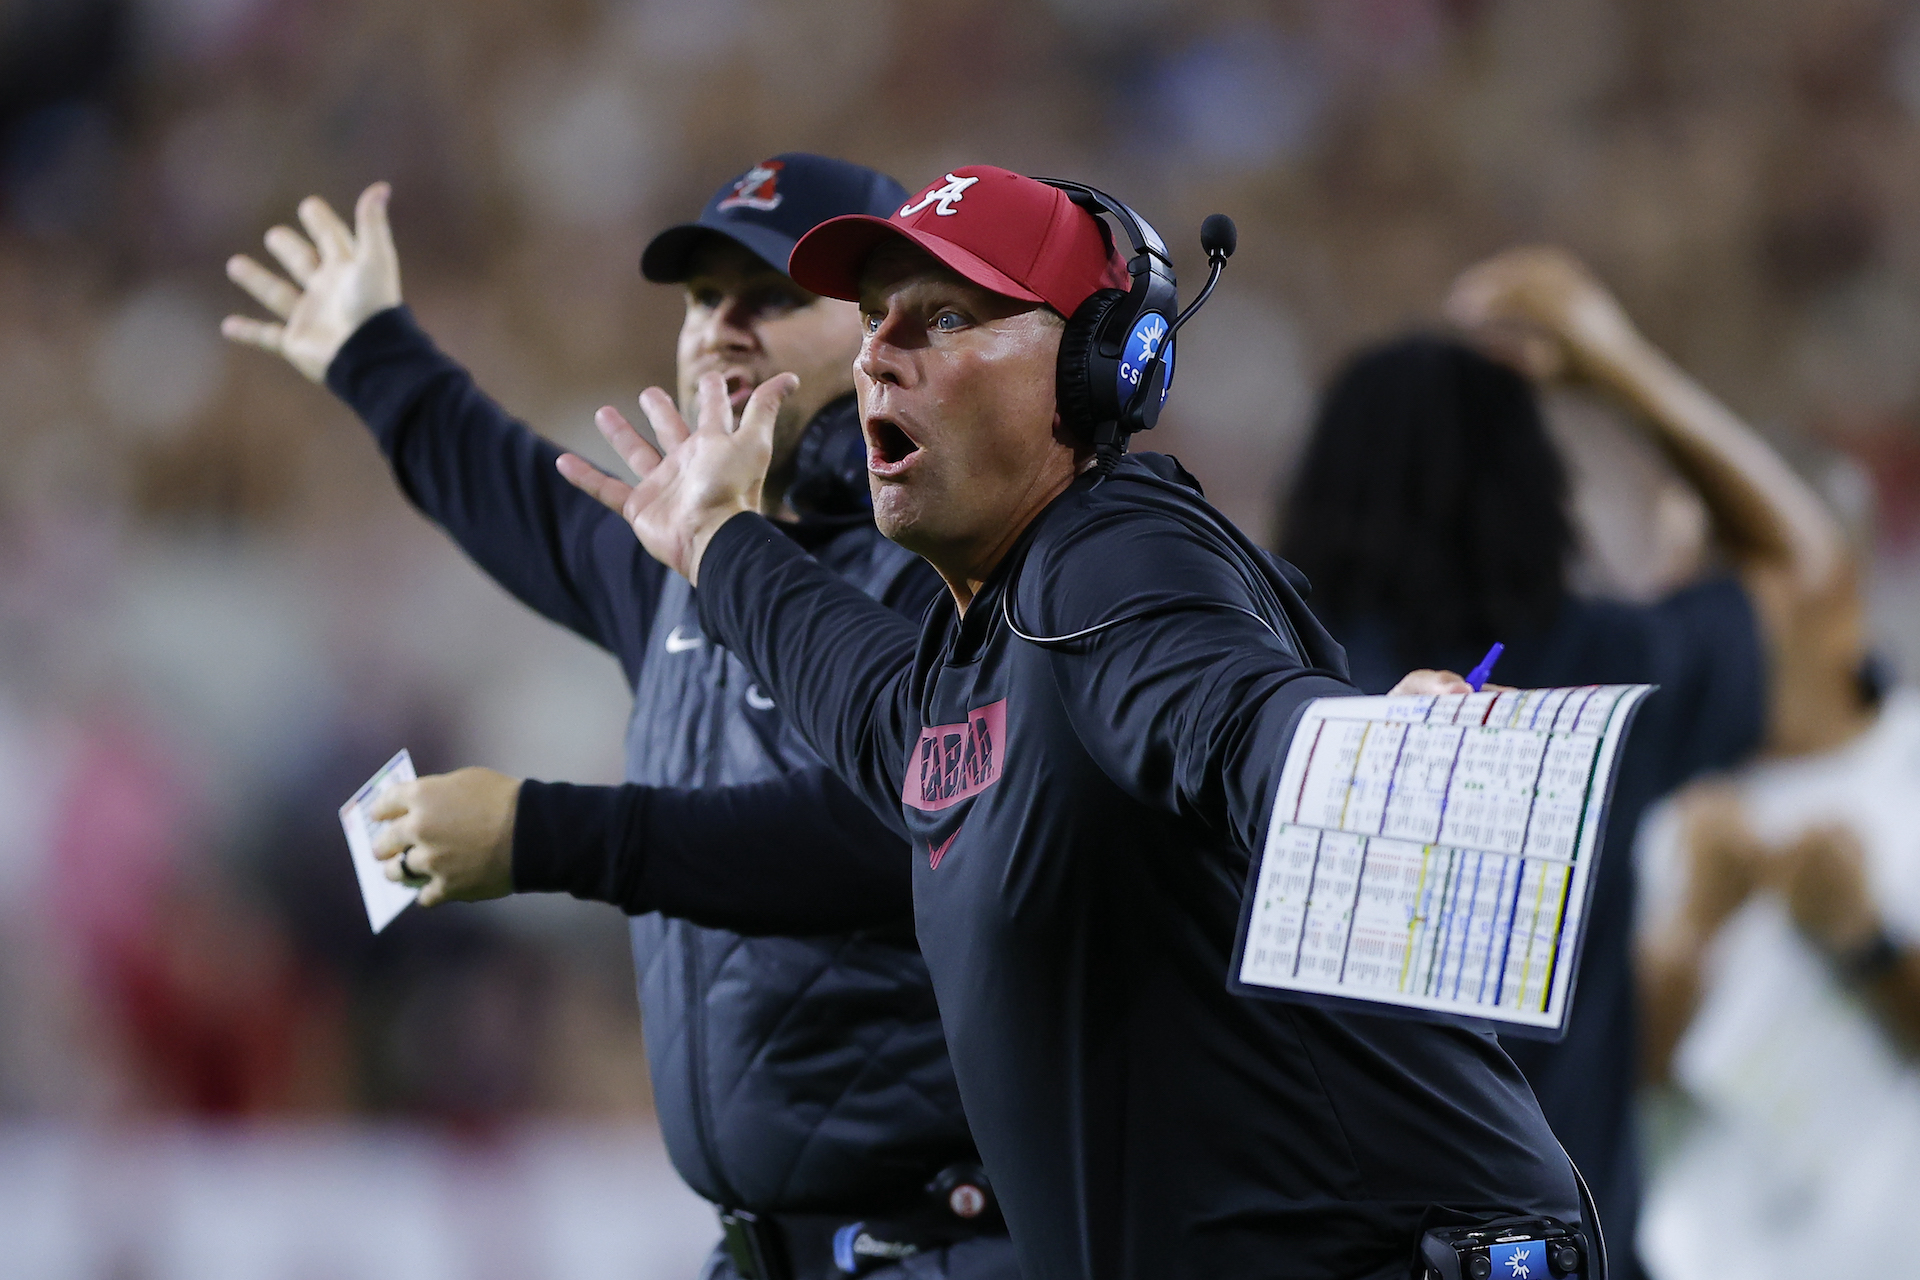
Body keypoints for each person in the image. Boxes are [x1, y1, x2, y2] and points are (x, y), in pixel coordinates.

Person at [556, 164, 1588, 1280]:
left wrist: (1343, 750)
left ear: (1105, 364)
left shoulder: (1110, 552)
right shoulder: (980, 646)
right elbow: (853, 685)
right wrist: (714, 537)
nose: (875, 354)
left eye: (946, 316)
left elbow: (1217, 702)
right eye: (872, 318)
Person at [220, 156, 1019, 1280]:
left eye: (773, 297)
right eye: (701, 299)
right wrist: (370, 348)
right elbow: (501, 481)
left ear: (885, 332)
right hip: (761, 1255)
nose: (720, 329)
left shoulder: (959, 571)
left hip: (947, 1246)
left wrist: (541, 835)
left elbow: (905, 829)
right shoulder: (671, 561)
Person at [1275, 247, 1855, 1280]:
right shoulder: (1600, 668)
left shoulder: (1264, 685)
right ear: (1532, 485)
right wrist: (1616, 363)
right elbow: (1807, 575)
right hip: (1559, 1243)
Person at [1633, 595, 1915, 1278]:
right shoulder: (1659, 788)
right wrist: (1693, 926)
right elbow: (1605, 1077)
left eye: (1727, 574)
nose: (1694, 609)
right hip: (1701, 1259)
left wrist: (1868, 942)